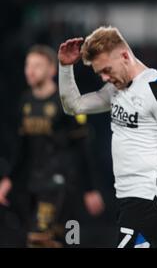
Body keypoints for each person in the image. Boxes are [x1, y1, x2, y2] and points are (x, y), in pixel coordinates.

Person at [57, 26, 157, 248]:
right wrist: (65, 68)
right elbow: (73, 106)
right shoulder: (114, 89)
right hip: (129, 197)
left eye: (107, 69)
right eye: (100, 74)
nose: (105, 77)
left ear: (125, 56)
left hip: (149, 198)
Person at [0, 45, 104, 247]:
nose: (30, 70)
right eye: (28, 65)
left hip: (59, 184)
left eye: (37, 65)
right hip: (33, 184)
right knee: (51, 240)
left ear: (51, 70)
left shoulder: (65, 103)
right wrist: (8, 180)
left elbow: (82, 148)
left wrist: (90, 189)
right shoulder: (25, 101)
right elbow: (22, 148)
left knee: (38, 239)